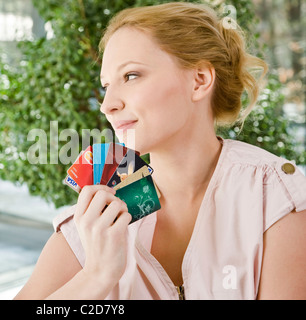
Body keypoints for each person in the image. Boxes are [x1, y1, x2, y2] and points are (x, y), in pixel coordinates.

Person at [15, 2, 306, 299]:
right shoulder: (95, 222)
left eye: (130, 76)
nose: (107, 104)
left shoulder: (274, 196)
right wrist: (95, 277)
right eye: (106, 86)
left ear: (199, 80)